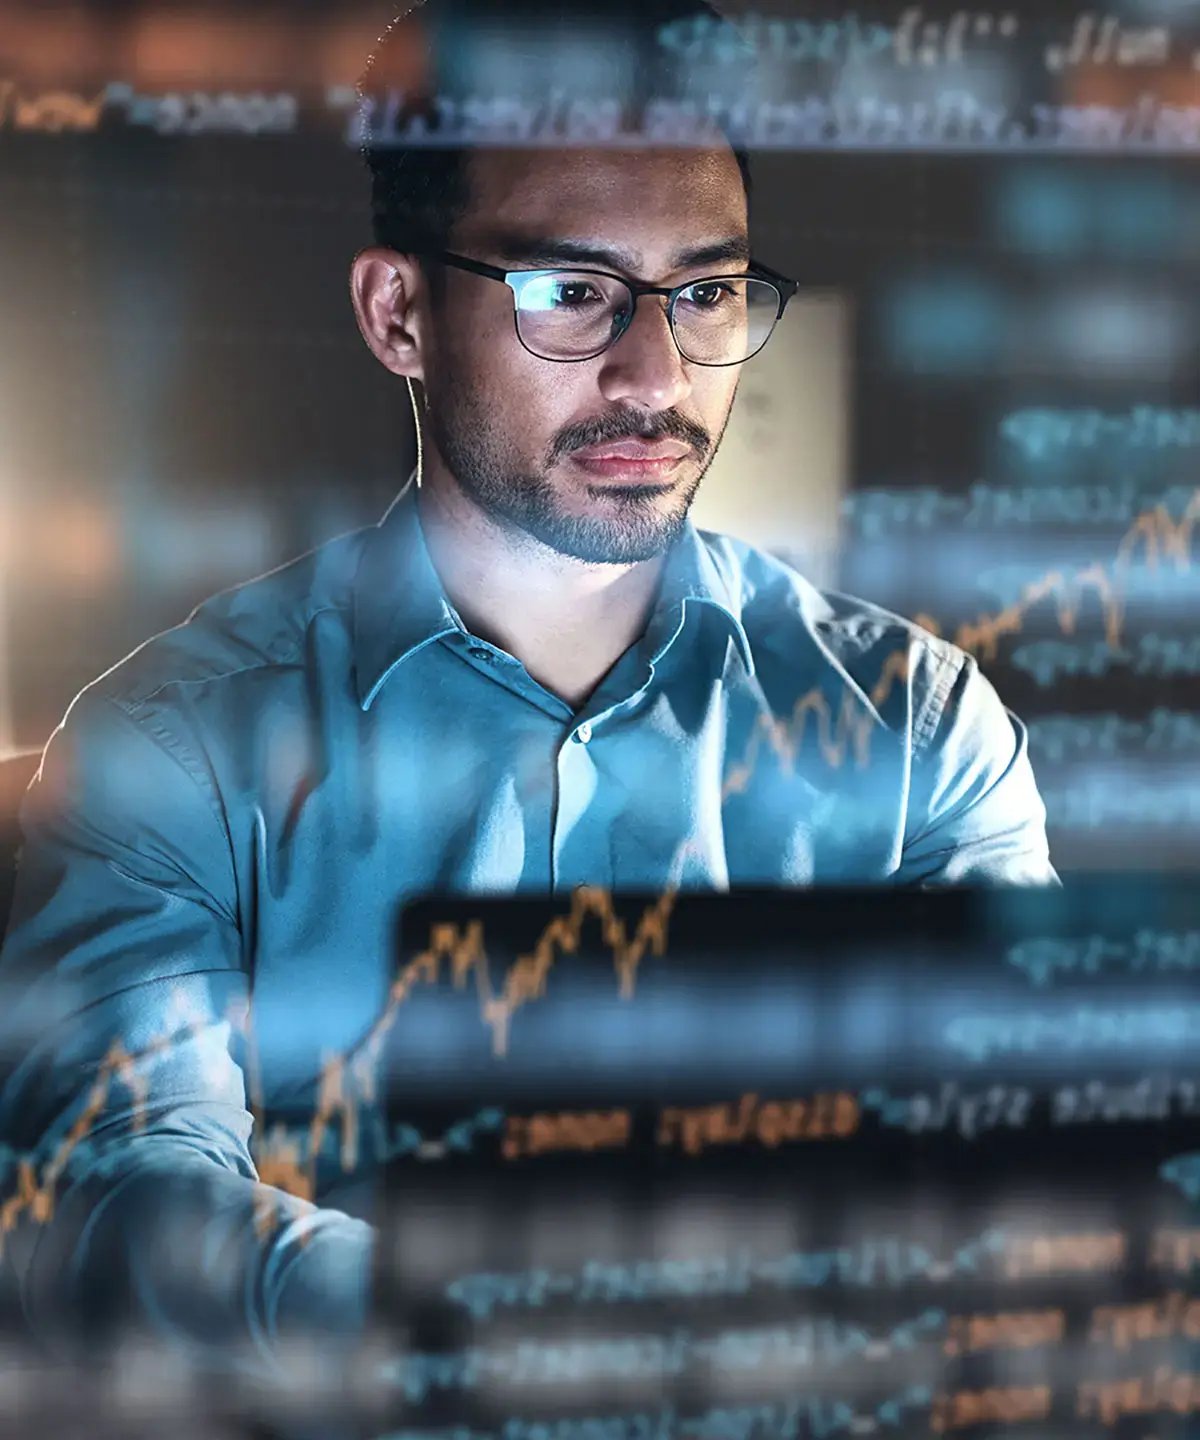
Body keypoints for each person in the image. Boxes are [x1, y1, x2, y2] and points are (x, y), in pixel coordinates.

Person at [0, 0, 1056, 1387]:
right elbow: (116, 1191)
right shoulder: (178, 745)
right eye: (570, 292)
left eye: (706, 294)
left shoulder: (917, 734)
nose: (655, 373)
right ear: (399, 314)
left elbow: (1017, 1171)